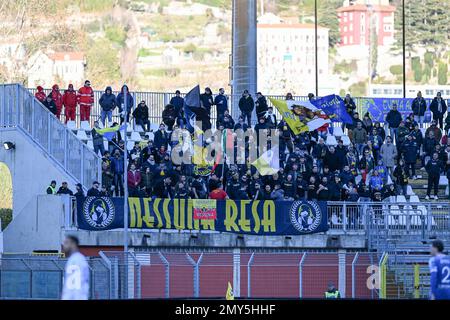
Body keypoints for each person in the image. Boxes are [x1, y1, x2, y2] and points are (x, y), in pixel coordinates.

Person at [61, 235, 90, 300]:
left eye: (66, 243)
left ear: (73, 244)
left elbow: (75, 285)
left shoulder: (76, 260)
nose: (63, 246)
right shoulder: (74, 259)